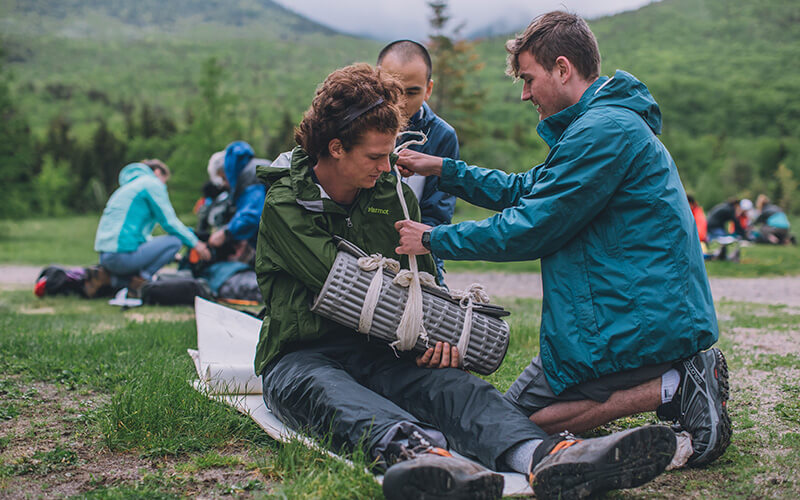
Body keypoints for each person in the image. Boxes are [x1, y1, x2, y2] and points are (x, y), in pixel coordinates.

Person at [253, 63, 675, 500]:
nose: (388, 167)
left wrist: (435, 341)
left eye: (391, 153)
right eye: (376, 157)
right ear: (336, 147)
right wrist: (420, 322)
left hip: (383, 350)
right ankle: (429, 462)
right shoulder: (285, 201)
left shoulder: (389, 194)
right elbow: (347, 288)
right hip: (302, 355)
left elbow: (425, 287)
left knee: (455, 388)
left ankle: (550, 457)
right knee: (333, 394)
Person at [395, 11, 729, 468]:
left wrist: (433, 238)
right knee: (503, 422)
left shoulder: (603, 132)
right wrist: (442, 169)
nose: (525, 93)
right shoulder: (600, 126)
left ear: (563, 69)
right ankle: (671, 383)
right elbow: (527, 189)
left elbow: (532, 225)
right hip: (632, 312)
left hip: (637, 322)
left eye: (529, 79)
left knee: (503, 425)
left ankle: (674, 385)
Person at [377, 40, 459, 283]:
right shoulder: (359, 126)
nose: (401, 101)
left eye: (412, 92)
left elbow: (438, 210)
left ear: (428, 89)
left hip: (417, 250)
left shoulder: (442, 136)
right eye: (392, 88)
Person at [91, 159, 210, 297]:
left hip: (106, 256)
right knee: (175, 241)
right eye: (164, 181)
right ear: (158, 172)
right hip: (121, 257)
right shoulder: (151, 183)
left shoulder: (130, 186)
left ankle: (109, 279)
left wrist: (163, 253)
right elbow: (169, 222)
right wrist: (197, 244)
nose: (163, 186)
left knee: (166, 247)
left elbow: (136, 236)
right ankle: (140, 284)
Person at [205, 141, 269, 258]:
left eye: (224, 178)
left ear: (228, 171)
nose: (224, 184)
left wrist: (226, 233)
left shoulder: (250, 177)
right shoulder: (252, 170)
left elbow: (251, 216)